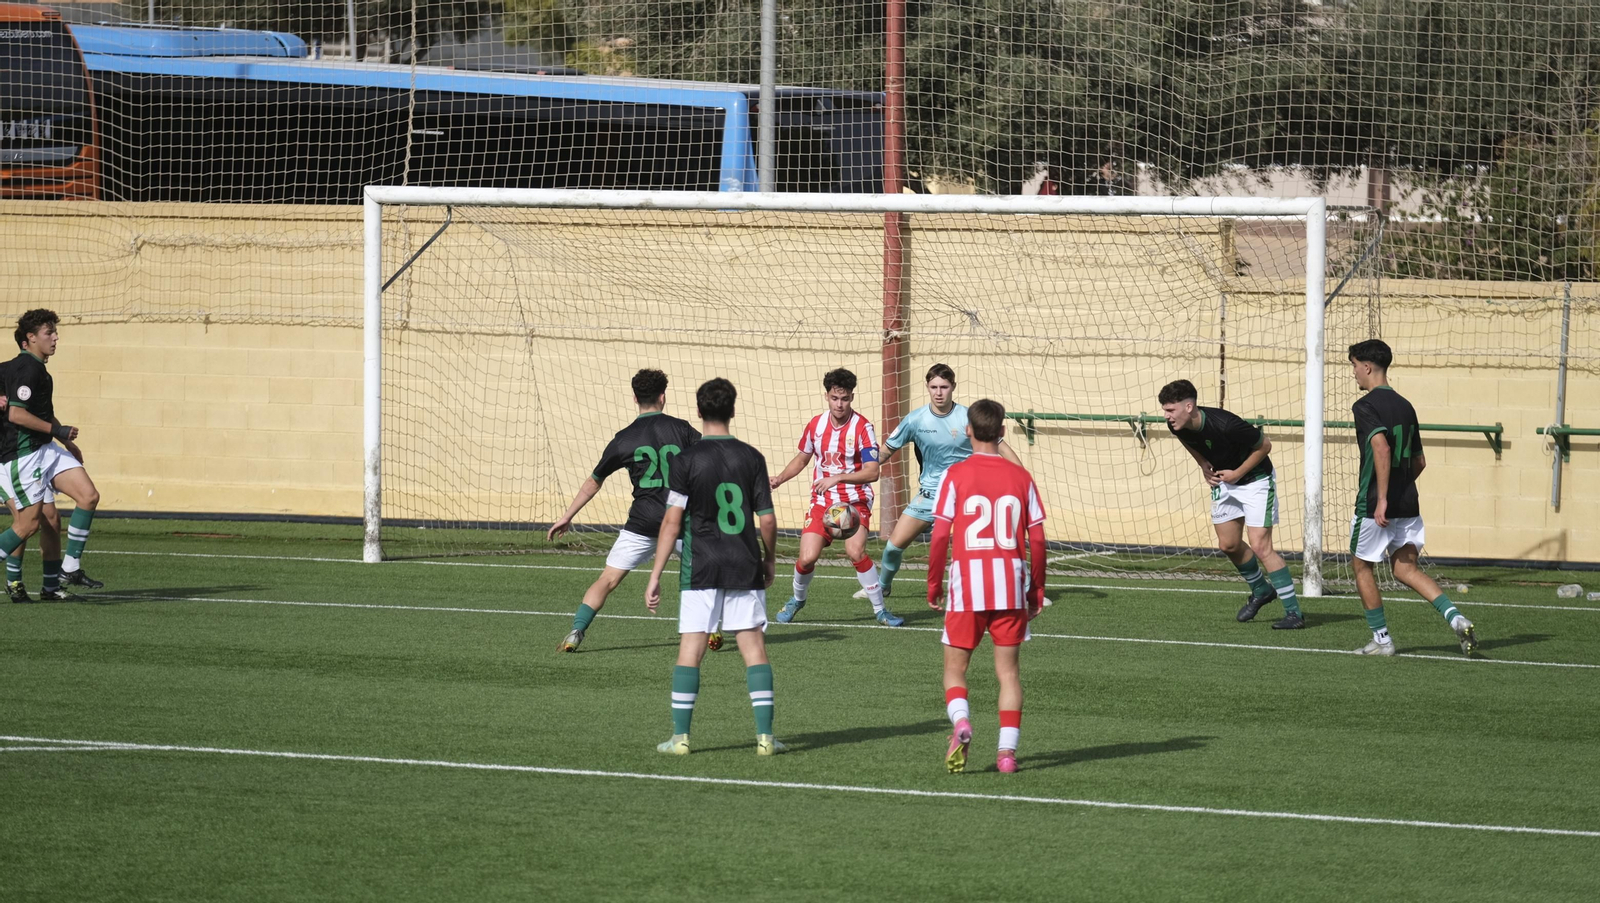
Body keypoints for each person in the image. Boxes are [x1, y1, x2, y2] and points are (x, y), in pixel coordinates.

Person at [645, 378, 783, 755]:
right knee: (753, 648)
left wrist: (655, 574)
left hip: (700, 567)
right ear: (733, 410)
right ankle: (765, 738)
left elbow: (672, 521)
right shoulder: (752, 457)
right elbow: (767, 521)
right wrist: (769, 559)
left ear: (699, 412)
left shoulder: (685, 460)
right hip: (744, 563)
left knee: (691, 649)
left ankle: (681, 738)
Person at [927, 399, 1046, 774]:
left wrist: (933, 584)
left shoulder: (955, 474)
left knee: (954, 669)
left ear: (968, 431)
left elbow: (941, 534)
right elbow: (1038, 540)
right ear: (1003, 432)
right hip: (1010, 584)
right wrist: (1036, 590)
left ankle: (961, 723)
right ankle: (1007, 754)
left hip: (968, 585)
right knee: (1009, 674)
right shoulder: (1021, 477)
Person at [550, 369, 700, 653]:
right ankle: (709, 628)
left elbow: (594, 482)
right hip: (680, 520)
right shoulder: (682, 429)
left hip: (642, 522)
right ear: (663, 397)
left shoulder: (624, 438)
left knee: (607, 580)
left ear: (634, 398)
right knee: (701, 576)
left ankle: (576, 631)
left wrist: (567, 516)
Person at [1347, 340, 1477, 656]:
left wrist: (1382, 499)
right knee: (1405, 570)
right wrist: (1399, 489)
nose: (1354, 374)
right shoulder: (1406, 406)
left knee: (1361, 566)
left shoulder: (1364, 405)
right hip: (1408, 504)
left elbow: (1381, 448)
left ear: (1366, 366)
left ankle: (1382, 641)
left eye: (1353, 366)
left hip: (1378, 505)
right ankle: (1456, 618)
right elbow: (1419, 462)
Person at [859, 364, 1023, 601]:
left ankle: (1024, 590)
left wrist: (1021, 477)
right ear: (927, 387)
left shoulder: (969, 417)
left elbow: (1001, 447)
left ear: (953, 387)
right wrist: (860, 468)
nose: (938, 392)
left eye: (944, 387)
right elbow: (884, 451)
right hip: (929, 496)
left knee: (994, 546)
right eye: (934, 387)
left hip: (967, 496)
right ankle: (882, 586)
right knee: (893, 547)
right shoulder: (915, 420)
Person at [1158, 379, 1303, 629]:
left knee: (1260, 545)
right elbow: (1189, 442)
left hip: (1256, 480)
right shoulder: (1177, 425)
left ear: (1189, 406)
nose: (1166, 415)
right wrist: (1203, 463)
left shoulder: (1226, 424)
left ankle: (1294, 614)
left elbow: (1265, 446)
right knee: (1228, 544)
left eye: (1170, 409)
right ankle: (1261, 590)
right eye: (1165, 410)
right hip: (1225, 482)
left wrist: (1237, 473)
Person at [769, 368, 902, 626]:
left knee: (855, 550)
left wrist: (838, 477)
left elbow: (873, 472)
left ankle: (880, 610)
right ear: (826, 396)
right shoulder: (816, 425)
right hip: (822, 502)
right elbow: (802, 458)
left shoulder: (863, 428)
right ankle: (797, 599)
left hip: (854, 501)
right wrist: (779, 479)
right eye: (834, 398)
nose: (839, 404)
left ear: (852, 397)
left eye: (845, 399)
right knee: (806, 557)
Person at [0, 310, 102, 590]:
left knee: (88, 496)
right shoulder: (26, 368)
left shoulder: (37, 370)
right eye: (49, 333)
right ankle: (18, 581)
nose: (56, 337)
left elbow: (40, 414)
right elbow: (17, 416)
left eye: (55, 332)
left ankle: (68, 570)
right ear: (29, 339)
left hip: (45, 449)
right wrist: (58, 432)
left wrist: (65, 442)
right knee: (27, 526)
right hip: (24, 455)